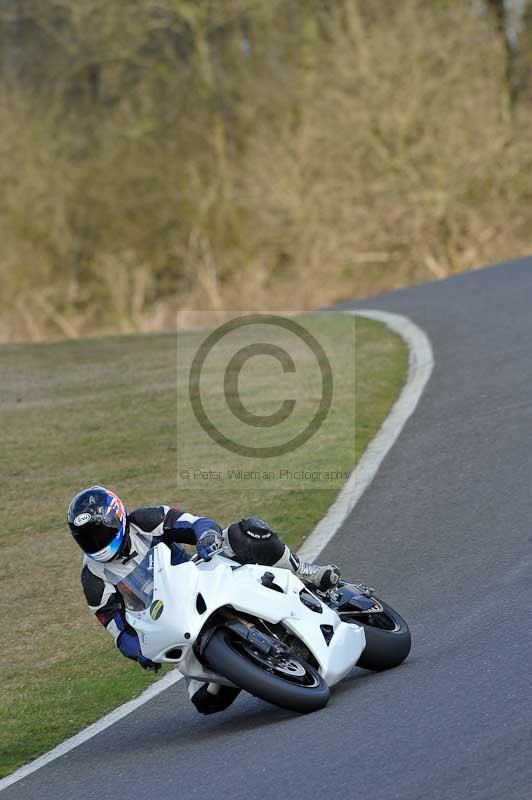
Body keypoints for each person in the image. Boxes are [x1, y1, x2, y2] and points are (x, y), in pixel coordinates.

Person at [67, 485, 340, 715]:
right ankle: (253, 666)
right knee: (207, 702)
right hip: (173, 619)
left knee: (245, 532)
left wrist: (206, 536)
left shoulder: (147, 521)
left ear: (117, 519)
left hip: (200, 575)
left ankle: (307, 572)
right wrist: (140, 651)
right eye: (87, 539)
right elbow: (118, 631)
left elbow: (196, 523)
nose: (96, 542)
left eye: (100, 533)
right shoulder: (93, 578)